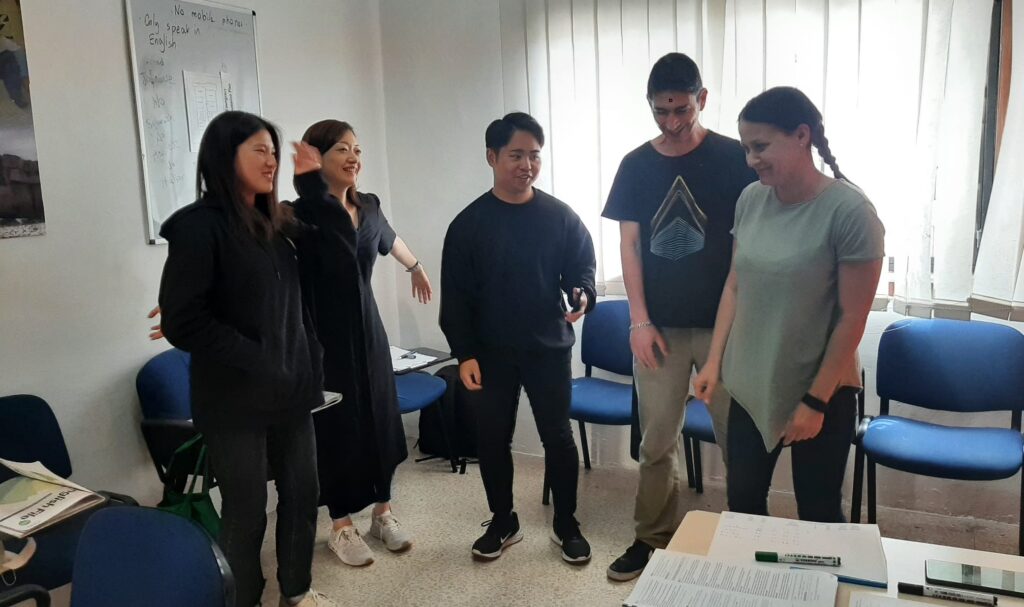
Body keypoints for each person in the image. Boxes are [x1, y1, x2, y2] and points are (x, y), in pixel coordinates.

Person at [157, 111, 334, 607]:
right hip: (233, 399)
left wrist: (313, 186)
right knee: (247, 510)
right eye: (259, 150)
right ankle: (244, 599)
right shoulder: (198, 227)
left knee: (302, 496)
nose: (271, 160)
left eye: (274, 151)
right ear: (224, 156)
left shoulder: (279, 224)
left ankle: (296, 591)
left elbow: (335, 257)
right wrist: (257, 356)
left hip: (291, 389)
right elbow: (183, 321)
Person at [693, 86, 884, 523]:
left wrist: (815, 402)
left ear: (802, 135)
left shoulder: (851, 212)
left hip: (821, 387)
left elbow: (852, 318)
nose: (751, 160)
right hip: (750, 382)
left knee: (818, 510)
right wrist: (714, 362)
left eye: (760, 146)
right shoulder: (751, 199)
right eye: (746, 148)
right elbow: (735, 284)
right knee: (743, 502)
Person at [601, 52, 757, 581]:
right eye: (660, 111)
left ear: (702, 99)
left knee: (739, 442)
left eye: (682, 110)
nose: (671, 123)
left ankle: (744, 539)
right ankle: (650, 537)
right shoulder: (635, 165)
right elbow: (629, 245)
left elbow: (746, 245)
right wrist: (638, 321)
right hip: (659, 329)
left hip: (724, 329)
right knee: (656, 443)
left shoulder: (736, 158)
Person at [440, 112, 596, 564]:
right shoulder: (468, 224)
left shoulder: (559, 217)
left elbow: (581, 269)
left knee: (558, 438)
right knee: (492, 440)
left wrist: (583, 293)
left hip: (547, 348)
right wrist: (464, 353)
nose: (527, 165)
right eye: (516, 155)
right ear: (492, 157)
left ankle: (566, 523)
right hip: (490, 354)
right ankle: (503, 520)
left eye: (534, 156)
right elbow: (456, 296)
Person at [289, 119, 432, 567]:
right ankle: (340, 524)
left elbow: (390, 238)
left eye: (357, 149)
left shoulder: (368, 206)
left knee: (380, 418)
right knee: (336, 428)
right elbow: (256, 256)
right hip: (321, 336)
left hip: (369, 331)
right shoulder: (300, 213)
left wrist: (416, 267)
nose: (353, 158)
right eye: (341, 149)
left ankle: (382, 513)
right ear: (316, 158)